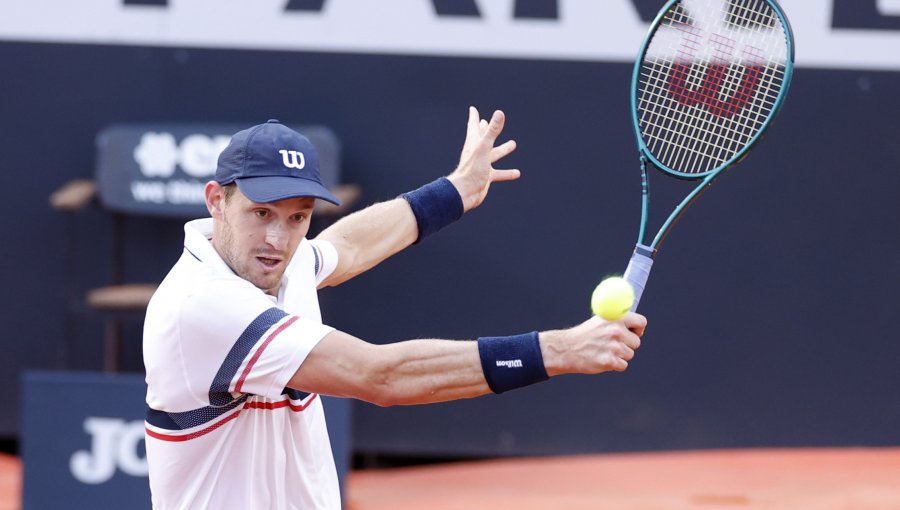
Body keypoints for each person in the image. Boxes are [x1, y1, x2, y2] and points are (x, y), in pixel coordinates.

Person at [143, 107, 647, 510]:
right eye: (261, 213)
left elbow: (348, 245)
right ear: (215, 201)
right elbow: (382, 376)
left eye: (297, 217)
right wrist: (562, 349)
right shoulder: (202, 306)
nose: (278, 237)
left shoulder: (272, 260)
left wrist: (454, 190)